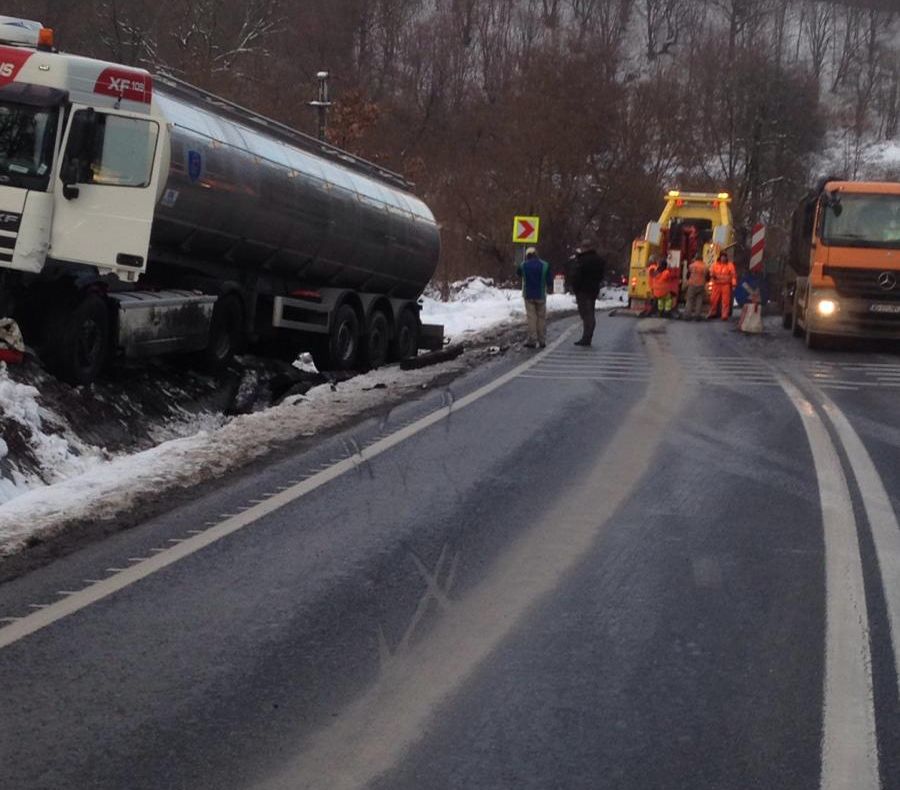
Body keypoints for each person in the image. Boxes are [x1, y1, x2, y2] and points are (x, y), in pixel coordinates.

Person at [570, 240, 606, 346]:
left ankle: (586, 337)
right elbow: (601, 276)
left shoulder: (581, 260)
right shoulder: (599, 260)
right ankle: (588, 336)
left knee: (586, 314)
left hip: (583, 290)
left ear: (584, 248)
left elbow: (576, 276)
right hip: (593, 289)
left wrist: (575, 287)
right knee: (590, 312)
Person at [516, 246, 553, 348]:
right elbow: (549, 281)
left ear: (527, 255)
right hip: (541, 294)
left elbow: (518, 273)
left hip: (528, 295)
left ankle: (532, 340)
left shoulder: (523, 265)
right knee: (541, 317)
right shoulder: (545, 265)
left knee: (531, 317)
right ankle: (542, 340)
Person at [707, 252, 737, 320]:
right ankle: (712, 313)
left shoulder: (730, 265)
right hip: (716, 285)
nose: (723, 258)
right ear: (720, 257)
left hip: (726, 285)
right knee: (713, 300)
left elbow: (733, 276)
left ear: (726, 258)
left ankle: (724, 315)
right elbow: (711, 272)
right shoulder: (715, 265)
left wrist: (734, 285)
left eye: (724, 257)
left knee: (725, 301)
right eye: (722, 257)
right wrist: (712, 275)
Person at [684, 253, 707, 320]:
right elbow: (707, 276)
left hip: (692, 284)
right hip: (701, 285)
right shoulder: (705, 266)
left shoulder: (691, 266)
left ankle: (688, 315)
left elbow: (687, 275)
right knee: (699, 300)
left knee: (690, 300)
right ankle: (697, 315)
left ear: (695, 258)